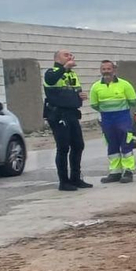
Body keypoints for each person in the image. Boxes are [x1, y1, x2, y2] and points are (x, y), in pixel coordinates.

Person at [42, 50, 92, 191]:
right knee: (63, 147)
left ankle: (75, 178)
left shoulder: (72, 74)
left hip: (72, 113)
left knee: (78, 145)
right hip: (58, 114)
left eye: (71, 55)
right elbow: (51, 81)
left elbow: (74, 90)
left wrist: (80, 96)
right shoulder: (51, 72)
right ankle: (63, 182)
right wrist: (64, 68)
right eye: (66, 55)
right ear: (57, 58)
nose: (70, 57)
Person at [89, 60, 136, 183]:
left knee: (126, 144)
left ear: (114, 70)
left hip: (123, 118)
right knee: (111, 145)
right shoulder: (96, 87)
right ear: (100, 71)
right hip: (107, 119)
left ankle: (128, 171)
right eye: (103, 69)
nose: (106, 71)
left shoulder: (125, 84)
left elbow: (133, 101)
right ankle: (115, 172)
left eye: (108, 69)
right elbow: (94, 104)